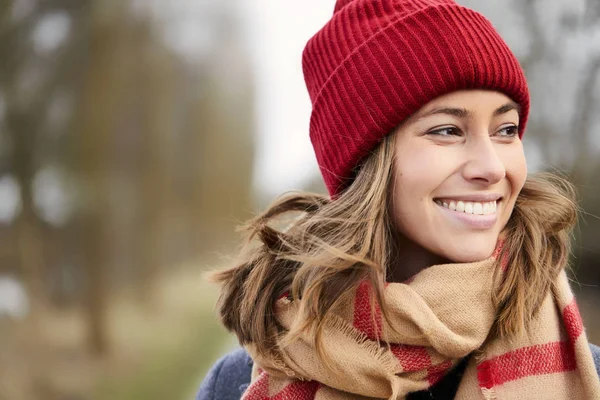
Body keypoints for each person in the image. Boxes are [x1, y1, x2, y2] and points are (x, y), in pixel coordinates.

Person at [197, 0, 600, 398]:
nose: (493, 168)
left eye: (506, 129)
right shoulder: (235, 385)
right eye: (447, 130)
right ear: (367, 161)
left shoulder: (586, 373)